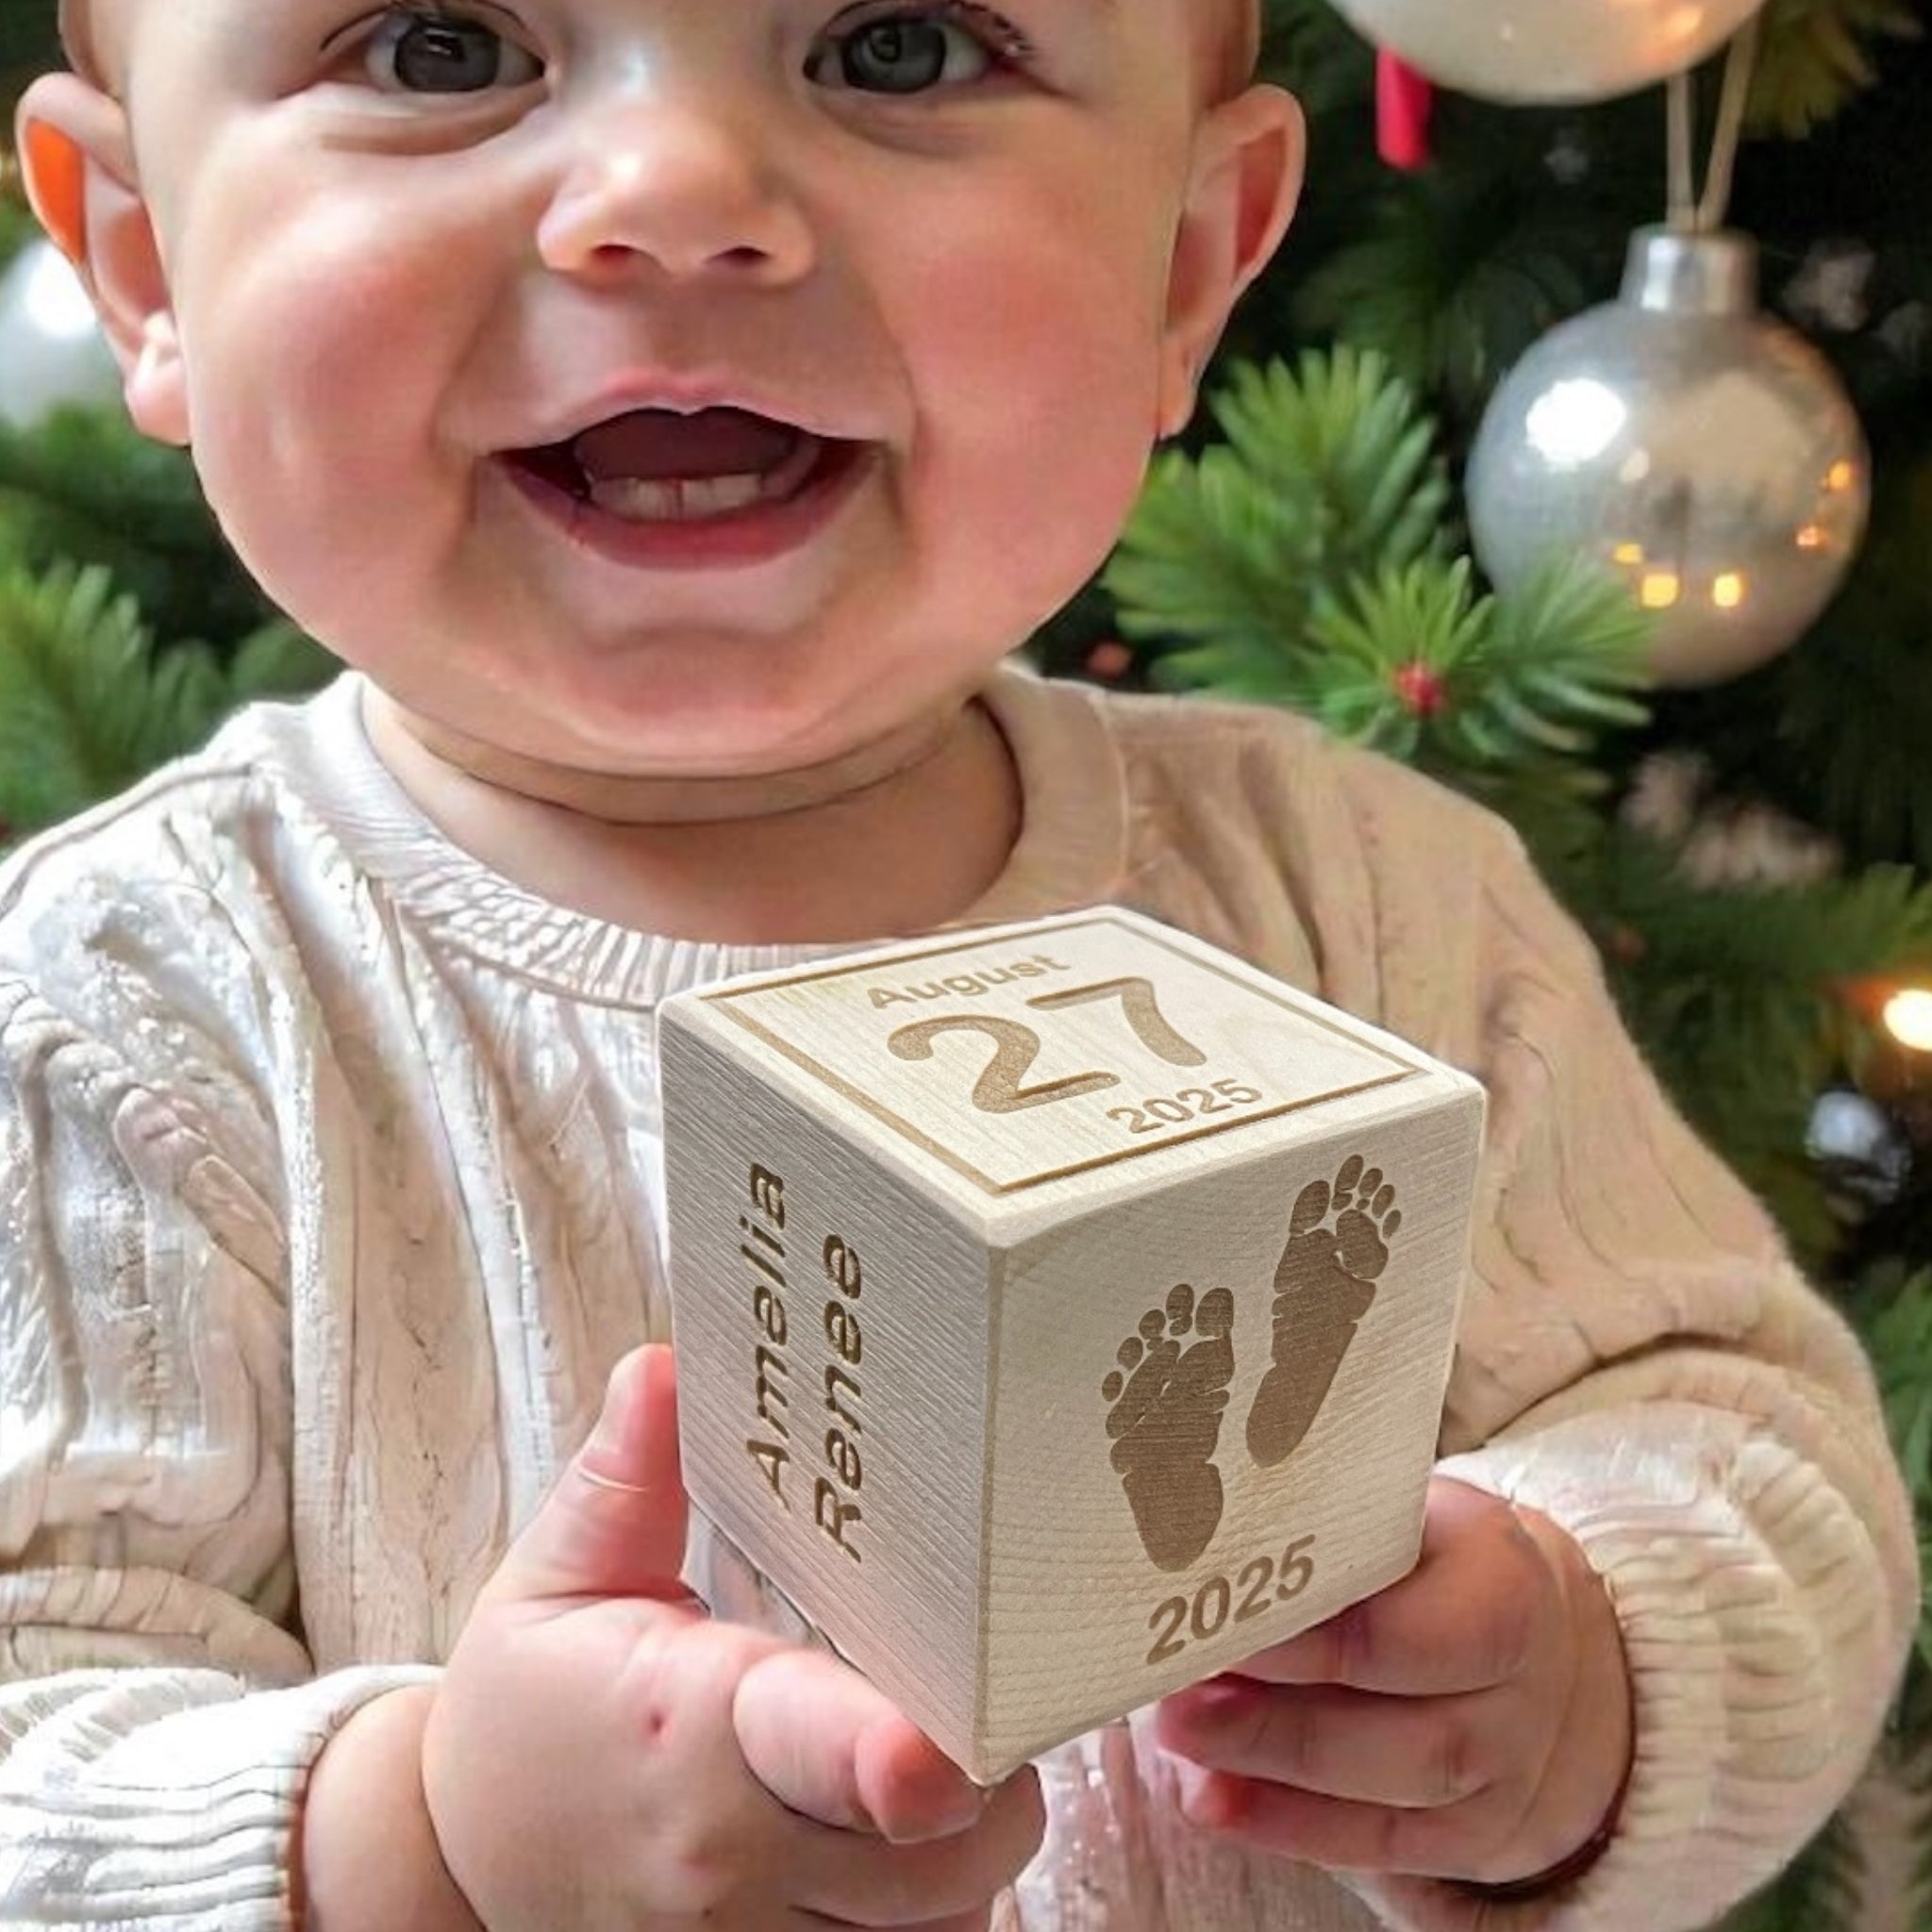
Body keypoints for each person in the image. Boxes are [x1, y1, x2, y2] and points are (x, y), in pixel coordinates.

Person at [0, 0, 1916, 1927]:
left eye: (902, 48)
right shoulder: (119, 1004)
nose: (674, 199)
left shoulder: (1367, 895)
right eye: (433, 51)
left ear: (1183, 257)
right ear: (147, 260)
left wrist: (1580, 1656)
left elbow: (1745, 1438)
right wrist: (415, 1841)